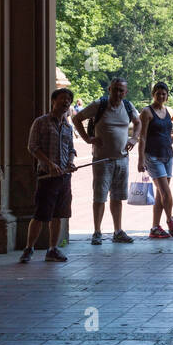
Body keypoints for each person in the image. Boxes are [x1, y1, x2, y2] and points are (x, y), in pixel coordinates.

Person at [73, 77, 140, 245]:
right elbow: (76, 119)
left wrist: (134, 139)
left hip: (122, 159)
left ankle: (118, 231)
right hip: (102, 160)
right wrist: (88, 139)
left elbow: (138, 123)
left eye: (121, 90)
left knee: (117, 197)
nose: (118, 93)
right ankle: (97, 232)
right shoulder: (99, 104)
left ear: (126, 92)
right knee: (100, 196)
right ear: (109, 89)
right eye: (115, 89)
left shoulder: (128, 106)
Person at [20, 88, 76, 264]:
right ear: (53, 101)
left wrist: (71, 162)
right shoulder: (41, 122)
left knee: (59, 214)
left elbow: (71, 149)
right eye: (62, 99)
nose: (65, 102)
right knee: (40, 214)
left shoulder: (68, 126)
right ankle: (29, 248)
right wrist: (49, 164)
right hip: (47, 175)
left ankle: (52, 249)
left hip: (64, 177)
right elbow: (33, 147)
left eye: (68, 99)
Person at [137, 82, 173, 239]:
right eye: (158, 93)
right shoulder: (147, 112)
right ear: (153, 94)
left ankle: (154, 227)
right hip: (152, 156)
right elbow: (142, 136)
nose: (161, 96)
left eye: (164, 94)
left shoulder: (169, 111)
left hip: (167, 155)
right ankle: (170, 220)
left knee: (161, 193)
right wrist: (140, 159)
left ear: (167, 95)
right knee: (166, 192)